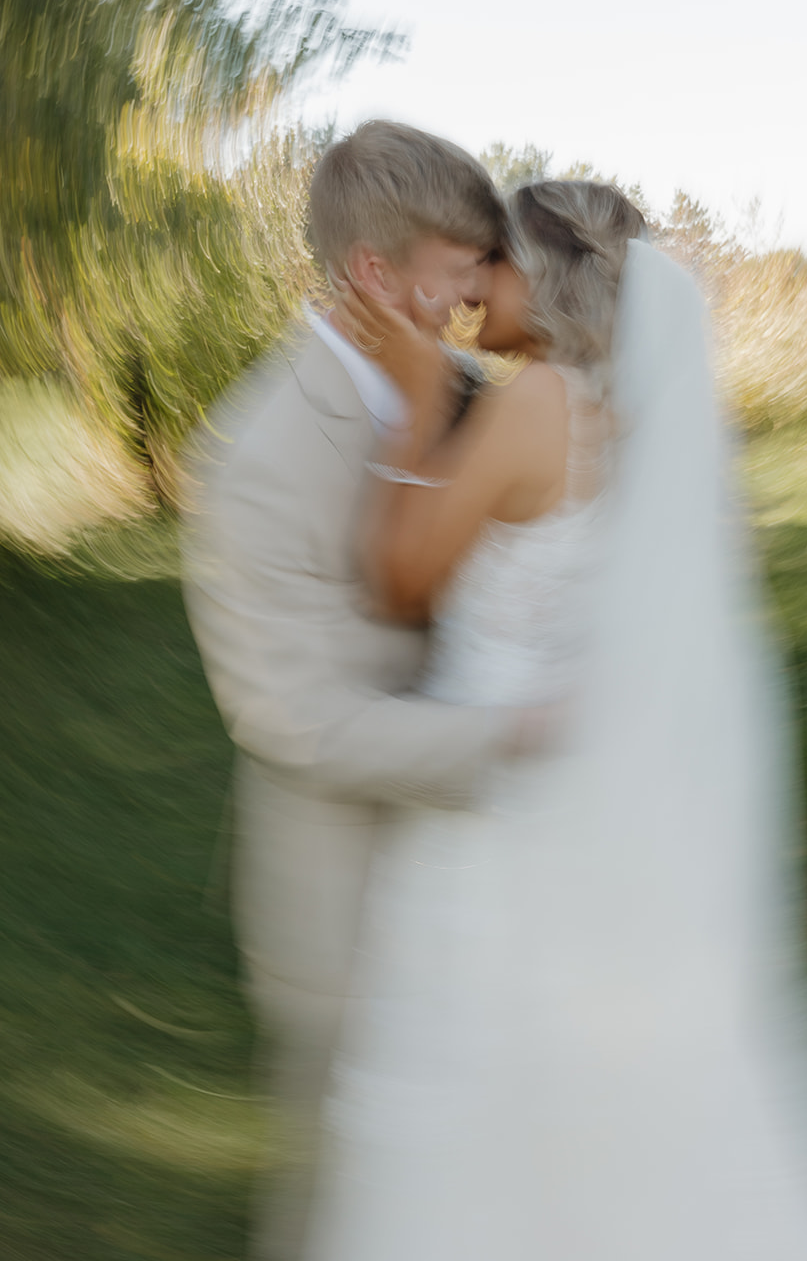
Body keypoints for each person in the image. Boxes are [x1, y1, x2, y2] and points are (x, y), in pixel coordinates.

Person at [305, 180, 807, 1260]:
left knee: (491, 1097)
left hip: (500, 819)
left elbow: (403, 577)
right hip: (588, 805)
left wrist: (419, 395)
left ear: (546, 274)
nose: (472, 288)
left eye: (493, 263)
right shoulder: (639, 417)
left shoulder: (536, 400)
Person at [180, 121, 548, 1261]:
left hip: (493, 887)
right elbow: (298, 722)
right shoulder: (253, 458)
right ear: (376, 276)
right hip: (349, 910)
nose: (480, 293)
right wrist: (517, 735)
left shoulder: (477, 394)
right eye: (461, 267)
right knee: (347, 1203)